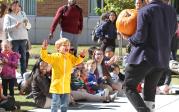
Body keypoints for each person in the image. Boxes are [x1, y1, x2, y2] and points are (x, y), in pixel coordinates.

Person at [121, 0, 177, 112]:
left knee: (128, 86)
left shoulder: (145, 10)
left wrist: (129, 38)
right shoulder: (171, 11)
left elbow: (140, 37)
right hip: (162, 58)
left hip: (144, 56)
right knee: (149, 91)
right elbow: (173, 31)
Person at [40, 38, 86, 112]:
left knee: (64, 105)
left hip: (66, 87)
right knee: (55, 104)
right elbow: (45, 57)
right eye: (64, 45)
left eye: (68, 45)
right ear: (58, 48)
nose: (67, 47)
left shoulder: (70, 57)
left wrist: (81, 56)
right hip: (56, 86)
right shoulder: (54, 57)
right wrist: (44, 49)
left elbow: (76, 61)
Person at [3, 1, 29, 77]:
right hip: (14, 40)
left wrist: (27, 24)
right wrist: (15, 26)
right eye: (14, 6)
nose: (16, 7)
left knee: (23, 58)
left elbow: (28, 27)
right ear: (11, 7)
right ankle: (12, 75)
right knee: (14, 59)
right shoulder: (8, 16)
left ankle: (23, 75)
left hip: (24, 38)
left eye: (17, 5)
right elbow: (5, 29)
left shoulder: (23, 14)